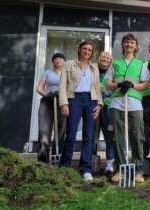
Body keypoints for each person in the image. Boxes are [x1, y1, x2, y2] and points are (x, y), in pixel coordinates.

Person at [106, 33, 150, 183]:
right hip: (117, 103)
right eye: (127, 42)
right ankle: (120, 169)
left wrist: (133, 85)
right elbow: (107, 84)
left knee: (137, 136)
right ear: (123, 45)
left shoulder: (140, 64)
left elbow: (145, 84)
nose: (129, 45)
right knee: (117, 138)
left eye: (132, 42)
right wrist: (118, 85)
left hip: (135, 104)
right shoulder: (115, 63)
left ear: (136, 46)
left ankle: (138, 170)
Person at [59, 40, 103, 181]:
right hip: (74, 99)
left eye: (90, 50)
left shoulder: (94, 67)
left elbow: (97, 87)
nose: (87, 52)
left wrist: (100, 104)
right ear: (79, 49)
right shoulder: (69, 64)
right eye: (84, 49)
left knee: (88, 136)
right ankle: (65, 167)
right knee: (71, 134)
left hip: (91, 101)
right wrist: (64, 103)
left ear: (92, 53)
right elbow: (62, 86)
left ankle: (85, 169)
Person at [36, 52, 66, 163]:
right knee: (44, 132)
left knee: (61, 130)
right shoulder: (47, 73)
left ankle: (57, 160)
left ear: (64, 61)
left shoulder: (67, 73)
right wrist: (46, 95)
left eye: (61, 59)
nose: (58, 60)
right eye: (56, 59)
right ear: (53, 61)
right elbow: (39, 87)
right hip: (47, 102)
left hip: (62, 102)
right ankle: (43, 162)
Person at [95, 51, 115, 177]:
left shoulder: (113, 72)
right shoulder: (93, 70)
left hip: (108, 108)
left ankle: (109, 165)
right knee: (92, 135)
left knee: (109, 136)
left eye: (108, 58)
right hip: (94, 107)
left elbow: (115, 87)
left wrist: (106, 94)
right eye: (103, 57)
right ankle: (91, 162)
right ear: (99, 58)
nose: (105, 59)